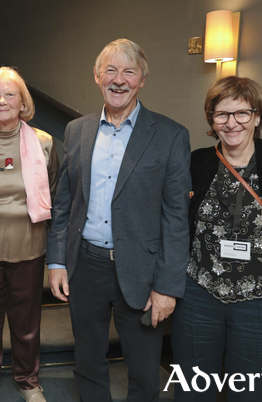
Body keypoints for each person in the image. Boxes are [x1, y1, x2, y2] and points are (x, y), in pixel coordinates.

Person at [47, 38, 191, 402]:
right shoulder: (76, 130)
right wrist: (57, 260)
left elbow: (176, 217)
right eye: (110, 70)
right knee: (88, 361)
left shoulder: (171, 136)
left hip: (142, 272)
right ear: (97, 76)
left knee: (144, 370)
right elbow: (64, 203)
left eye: (129, 71)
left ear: (142, 79)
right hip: (86, 266)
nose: (119, 79)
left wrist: (168, 286)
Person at [171, 76, 262, 401]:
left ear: (257, 116)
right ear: (212, 120)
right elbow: (176, 221)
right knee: (191, 392)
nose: (231, 122)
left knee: (251, 394)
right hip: (198, 299)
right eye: (221, 114)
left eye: (241, 113)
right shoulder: (198, 161)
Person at [0, 67, 59, 402]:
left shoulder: (45, 143)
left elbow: (56, 195)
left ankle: (28, 382)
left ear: (23, 102)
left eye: (10, 94)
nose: (2, 100)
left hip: (29, 249)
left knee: (27, 324)